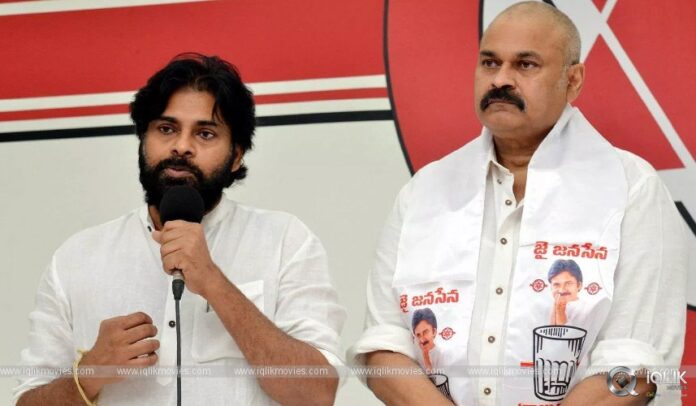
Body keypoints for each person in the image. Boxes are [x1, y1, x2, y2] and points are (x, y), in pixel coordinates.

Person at [348, 2, 686, 405]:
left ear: (573, 80)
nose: (501, 80)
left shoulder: (631, 188)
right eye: (490, 63)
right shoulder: (424, 191)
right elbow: (384, 347)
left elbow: (638, 369)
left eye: (525, 65)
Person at [15, 53, 346, 405]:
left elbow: (316, 393)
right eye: (166, 129)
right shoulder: (77, 258)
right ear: (143, 139)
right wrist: (89, 374)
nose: (182, 146)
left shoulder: (284, 241)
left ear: (236, 156)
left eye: (205, 133)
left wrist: (214, 283)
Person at [547, 259, 585, 326]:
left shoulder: (586, 311)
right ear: (551, 287)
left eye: (568, 284)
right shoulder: (546, 310)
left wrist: (560, 312)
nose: (561, 290)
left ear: (579, 285)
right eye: (556, 284)